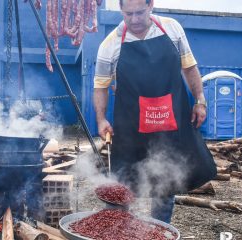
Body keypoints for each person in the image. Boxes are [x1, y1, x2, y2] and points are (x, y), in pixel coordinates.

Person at [93, 0, 217, 223]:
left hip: (169, 121)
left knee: (165, 183)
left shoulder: (171, 29)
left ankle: (159, 230)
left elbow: (189, 67)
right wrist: (101, 119)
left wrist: (200, 100)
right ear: (121, 10)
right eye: (128, 14)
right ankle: (117, 229)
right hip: (130, 125)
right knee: (122, 182)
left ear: (151, 5)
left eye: (140, 12)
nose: (134, 19)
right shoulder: (109, 44)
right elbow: (101, 86)